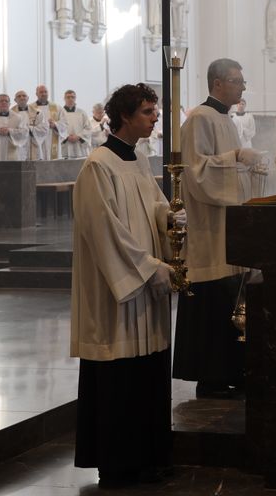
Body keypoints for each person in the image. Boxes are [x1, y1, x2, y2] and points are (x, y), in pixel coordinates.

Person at [71, 83, 173, 488]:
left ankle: (147, 457)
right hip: (119, 290)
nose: (154, 117)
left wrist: (170, 220)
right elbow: (106, 232)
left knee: (145, 375)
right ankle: (118, 463)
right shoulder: (99, 165)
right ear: (126, 116)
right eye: (148, 111)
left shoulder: (139, 159)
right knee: (120, 378)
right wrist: (149, 267)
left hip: (144, 288)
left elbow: (153, 206)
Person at [174, 59, 264, 399]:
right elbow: (196, 172)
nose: (242, 87)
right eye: (237, 81)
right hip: (210, 230)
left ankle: (233, 370)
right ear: (217, 84)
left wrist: (248, 167)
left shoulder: (225, 118)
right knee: (213, 303)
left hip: (230, 226)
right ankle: (210, 377)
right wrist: (237, 158)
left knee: (232, 301)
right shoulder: (199, 118)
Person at [0, 93, 31, 161]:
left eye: (6, 101)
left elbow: (24, 132)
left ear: (9, 104)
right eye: (1, 101)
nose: (4, 102)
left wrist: (9, 131)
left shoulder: (18, 117)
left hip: (12, 152)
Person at [31, 84, 67, 160]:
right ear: (36, 94)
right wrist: (40, 126)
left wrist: (55, 125)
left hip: (52, 136)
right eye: (41, 92)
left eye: (45, 92)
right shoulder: (31, 108)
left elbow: (65, 123)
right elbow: (27, 124)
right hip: (37, 138)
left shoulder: (57, 107)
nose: (43, 94)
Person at [61, 90, 95, 159]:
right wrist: (66, 136)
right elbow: (57, 128)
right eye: (68, 97)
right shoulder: (60, 112)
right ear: (64, 99)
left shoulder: (82, 112)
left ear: (75, 98)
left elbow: (88, 128)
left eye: (72, 97)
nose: (70, 99)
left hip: (79, 146)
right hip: (66, 145)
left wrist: (78, 136)